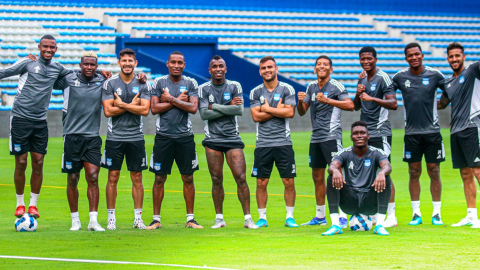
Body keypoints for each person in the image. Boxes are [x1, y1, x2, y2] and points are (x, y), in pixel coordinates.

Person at [0, 35, 108, 220]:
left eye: (52, 47)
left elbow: (80, 72)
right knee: (21, 162)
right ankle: (20, 204)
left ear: (56, 49)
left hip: (41, 121)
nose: (49, 50)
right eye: (45, 46)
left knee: (38, 163)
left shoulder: (58, 68)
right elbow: (4, 73)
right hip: (20, 118)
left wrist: (101, 72)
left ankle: (33, 205)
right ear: (39, 47)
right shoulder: (27, 62)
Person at [388, 43, 446, 226]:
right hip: (411, 133)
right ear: (406, 58)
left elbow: (450, 91)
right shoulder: (399, 77)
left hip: (432, 132)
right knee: (414, 172)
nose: (414, 57)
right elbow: (385, 89)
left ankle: (436, 213)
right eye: (410, 55)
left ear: (422, 55)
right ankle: (416, 213)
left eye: (417, 54)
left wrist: (441, 105)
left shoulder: (435, 75)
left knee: (434, 171)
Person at [198, 55, 258, 229]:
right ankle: (219, 218)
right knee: (216, 179)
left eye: (221, 66)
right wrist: (227, 106)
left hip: (232, 138)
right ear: (209, 70)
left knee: (240, 177)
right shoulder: (203, 89)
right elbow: (203, 115)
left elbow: (238, 110)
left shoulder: (234, 86)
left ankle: (248, 218)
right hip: (212, 139)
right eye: (214, 66)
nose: (218, 69)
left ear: (226, 69)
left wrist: (214, 106)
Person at [51, 52, 107, 231]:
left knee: (93, 177)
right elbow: (49, 74)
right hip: (71, 136)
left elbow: (121, 79)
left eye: (92, 65)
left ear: (96, 66)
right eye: (86, 64)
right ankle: (75, 220)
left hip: (92, 137)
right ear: (80, 64)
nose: (89, 67)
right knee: (73, 178)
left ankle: (93, 221)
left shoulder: (102, 81)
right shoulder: (68, 79)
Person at [146, 51, 203, 229]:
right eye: (173, 62)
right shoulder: (159, 82)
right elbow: (154, 108)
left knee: (188, 178)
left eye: (180, 62)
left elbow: (193, 108)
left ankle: (190, 219)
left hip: (185, 137)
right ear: (167, 64)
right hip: (163, 137)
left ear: (184, 65)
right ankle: (156, 219)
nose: (176, 65)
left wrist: (170, 99)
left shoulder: (191, 83)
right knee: (159, 178)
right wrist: (178, 101)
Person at [297, 55, 354, 227]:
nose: (321, 67)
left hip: (331, 137)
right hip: (316, 138)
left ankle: (343, 216)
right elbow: (301, 111)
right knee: (317, 176)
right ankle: (320, 216)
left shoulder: (336, 86)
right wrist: (300, 102)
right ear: (314, 69)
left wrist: (328, 100)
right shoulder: (311, 87)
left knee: (337, 175)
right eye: (318, 64)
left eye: (325, 65)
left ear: (331, 69)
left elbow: (350, 105)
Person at [101, 48, 151, 230]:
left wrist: (120, 105)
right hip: (115, 137)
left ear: (135, 63)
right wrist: (129, 105)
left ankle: (138, 218)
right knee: (112, 176)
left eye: (131, 60)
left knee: (137, 177)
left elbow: (145, 110)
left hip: (136, 138)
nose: (127, 63)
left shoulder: (144, 83)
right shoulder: (110, 83)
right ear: (119, 62)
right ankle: (111, 218)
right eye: (124, 61)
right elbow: (108, 111)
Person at [250, 56, 298, 228]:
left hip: (283, 142)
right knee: (261, 182)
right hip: (262, 143)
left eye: (270, 67)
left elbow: (290, 113)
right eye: (263, 68)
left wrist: (267, 109)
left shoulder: (287, 89)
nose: (267, 70)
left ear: (276, 69)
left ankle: (290, 217)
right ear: (260, 71)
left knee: (288, 181)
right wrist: (278, 109)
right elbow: (256, 117)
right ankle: (262, 218)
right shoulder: (256, 92)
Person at [322, 121, 392, 236]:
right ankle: (335, 225)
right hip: (350, 200)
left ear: (368, 136)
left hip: (370, 201)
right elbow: (332, 165)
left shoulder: (376, 152)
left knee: (386, 177)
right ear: (351, 137)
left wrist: (382, 173)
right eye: (355, 133)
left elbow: (387, 166)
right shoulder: (344, 153)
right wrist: (335, 170)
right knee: (331, 177)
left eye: (362, 133)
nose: (359, 136)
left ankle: (379, 225)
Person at [354, 46, 398, 227]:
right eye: (362, 59)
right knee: (367, 173)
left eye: (369, 59)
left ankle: (391, 216)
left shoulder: (384, 78)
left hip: (380, 132)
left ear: (375, 59)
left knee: (384, 172)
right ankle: (372, 214)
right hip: (365, 134)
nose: (365, 62)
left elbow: (393, 104)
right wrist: (358, 92)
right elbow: (357, 106)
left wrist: (373, 98)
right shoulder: (363, 77)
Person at [438, 42, 480, 228]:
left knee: (478, 171)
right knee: (465, 173)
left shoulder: (472, 71)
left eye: (457, 56)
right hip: (455, 131)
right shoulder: (448, 82)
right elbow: (442, 103)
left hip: (473, 127)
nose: (454, 59)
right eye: (451, 56)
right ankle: (471, 215)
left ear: (463, 57)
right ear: (447, 58)